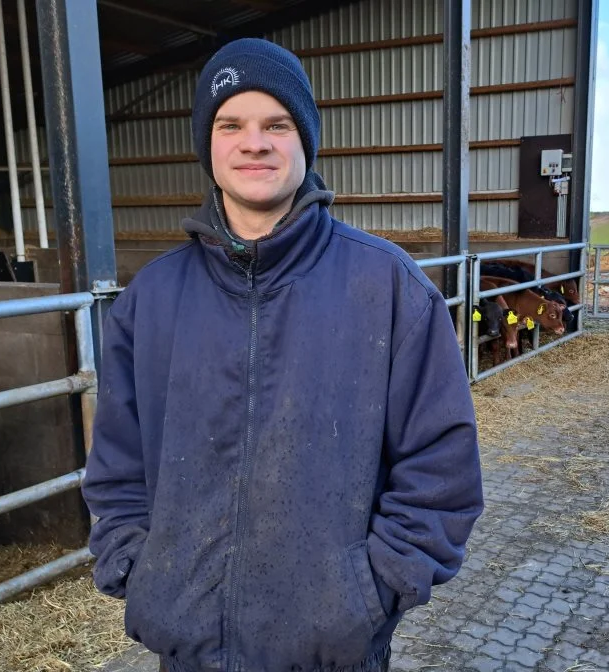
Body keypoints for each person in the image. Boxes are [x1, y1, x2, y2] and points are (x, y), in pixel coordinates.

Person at [81, 37, 484, 672]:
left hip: (332, 654)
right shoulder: (152, 299)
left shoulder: (387, 288)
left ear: (305, 140)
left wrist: (370, 592)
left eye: (277, 123)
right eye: (230, 124)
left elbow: (441, 469)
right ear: (207, 146)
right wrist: (139, 570)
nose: (254, 142)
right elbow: (117, 465)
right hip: (188, 651)